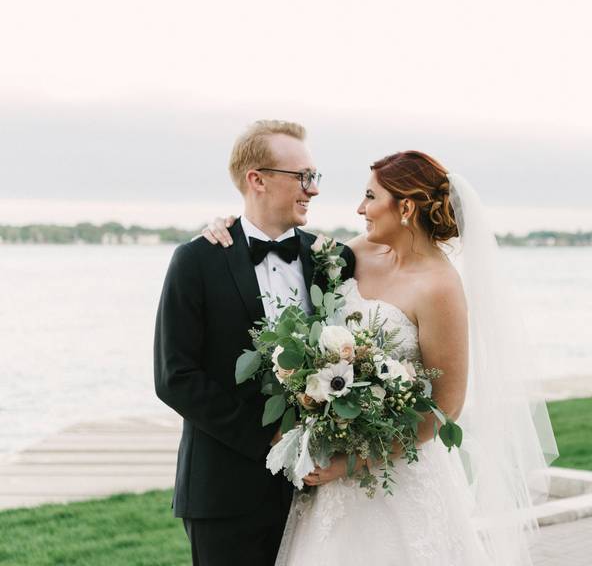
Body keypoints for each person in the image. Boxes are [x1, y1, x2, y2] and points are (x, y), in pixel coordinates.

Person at [202, 150, 557, 565]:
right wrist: (225, 229)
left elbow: (445, 408)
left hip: (396, 481)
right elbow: (280, 247)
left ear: (405, 207)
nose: (359, 208)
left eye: (370, 197)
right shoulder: (355, 253)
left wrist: (350, 465)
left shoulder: (440, 287)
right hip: (329, 487)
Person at [154, 120, 356, 566]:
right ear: (257, 179)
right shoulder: (196, 261)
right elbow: (175, 377)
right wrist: (270, 438)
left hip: (320, 489)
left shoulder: (334, 260)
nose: (313, 189)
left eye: (314, 177)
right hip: (224, 492)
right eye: (302, 177)